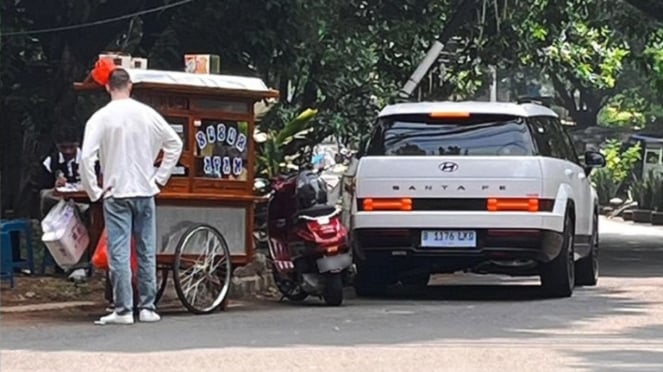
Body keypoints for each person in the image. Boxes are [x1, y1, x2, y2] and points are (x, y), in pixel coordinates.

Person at [80, 64, 183, 325]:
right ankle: (148, 307)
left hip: (116, 191)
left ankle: (124, 309)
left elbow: (86, 159)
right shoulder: (147, 114)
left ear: (107, 87)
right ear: (130, 86)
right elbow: (175, 144)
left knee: (119, 251)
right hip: (145, 189)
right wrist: (159, 177)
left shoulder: (100, 118)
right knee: (146, 249)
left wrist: (94, 191)